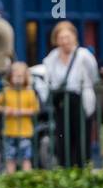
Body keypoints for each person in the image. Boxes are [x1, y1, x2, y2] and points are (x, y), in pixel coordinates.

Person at [42, 20, 99, 168]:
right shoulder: (52, 58)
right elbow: (49, 80)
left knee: (81, 138)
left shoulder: (84, 55)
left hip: (80, 101)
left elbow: (93, 77)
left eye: (67, 37)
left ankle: (82, 168)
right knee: (63, 139)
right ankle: (65, 169)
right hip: (61, 103)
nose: (64, 41)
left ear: (74, 37)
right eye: (61, 38)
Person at [0, 61, 39, 174]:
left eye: (21, 76)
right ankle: (11, 182)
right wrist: (5, 110)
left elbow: (35, 109)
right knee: (10, 159)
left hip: (25, 132)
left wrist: (21, 112)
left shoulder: (29, 93)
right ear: (10, 77)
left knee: (26, 158)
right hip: (10, 131)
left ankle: (26, 181)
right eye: (15, 76)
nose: (18, 79)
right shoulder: (6, 92)